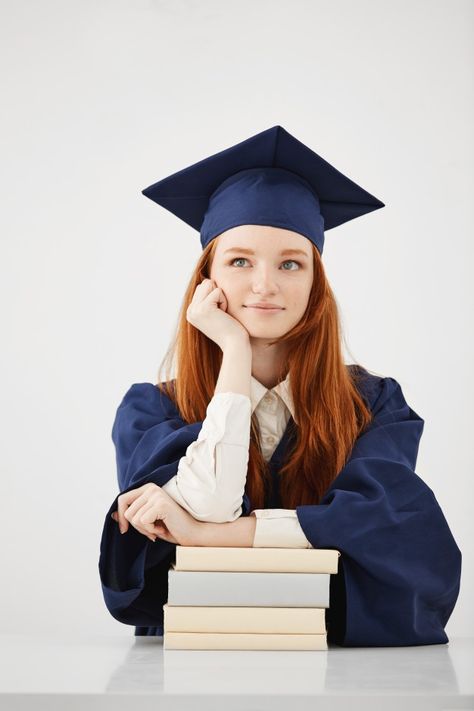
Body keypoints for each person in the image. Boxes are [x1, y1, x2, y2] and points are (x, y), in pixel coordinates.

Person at [98, 125, 462, 646]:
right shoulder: (152, 410)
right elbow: (207, 502)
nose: (265, 285)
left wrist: (208, 538)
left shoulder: (375, 406)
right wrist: (234, 351)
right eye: (239, 261)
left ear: (316, 283)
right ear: (207, 278)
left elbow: (391, 532)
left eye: (291, 263)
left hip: (342, 670)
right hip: (191, 666)